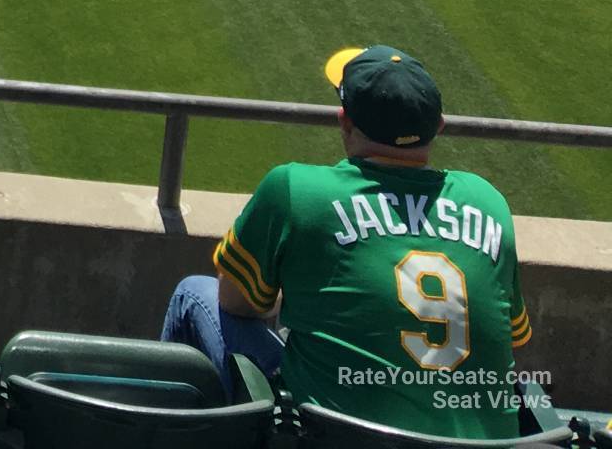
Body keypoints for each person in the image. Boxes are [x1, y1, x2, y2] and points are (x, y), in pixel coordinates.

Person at [159, 46, 531, 435]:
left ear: (345, 121)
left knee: (193, 293)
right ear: (438, 125)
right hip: (477, 446)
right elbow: (513, 340)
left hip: (333, 439)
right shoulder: (489, 203)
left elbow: (236, 301)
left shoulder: (296, 189)